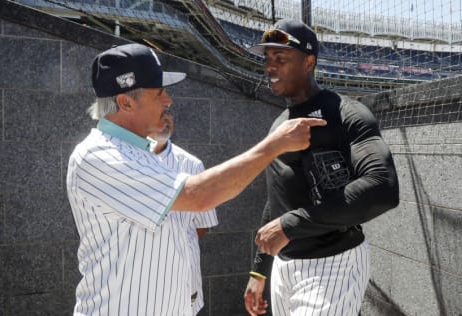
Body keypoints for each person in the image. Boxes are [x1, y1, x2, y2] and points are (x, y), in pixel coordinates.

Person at [66, 43, 326, 316]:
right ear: (126, 102)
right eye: (159, 92)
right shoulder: (99, 155)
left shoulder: (140, 150)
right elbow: (199, 196)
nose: (168, 100)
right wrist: (273, 145)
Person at [243, 20, 399, 316]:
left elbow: (383, 186)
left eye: (281, 59)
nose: (270, 67)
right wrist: (260, 271)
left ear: (309, 62)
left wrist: (291, 224)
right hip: (284, 269)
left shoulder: (346, 113)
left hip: (333, 263)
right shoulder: (279, 124)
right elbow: (277, 198)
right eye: (267, 59)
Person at [148, 107, 218, 315]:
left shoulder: (192, 164)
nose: (166, 117)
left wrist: (175, 243)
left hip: (183, 277)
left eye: (168, 112)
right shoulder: (124, 162)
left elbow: (203, 223)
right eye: (159, 111)